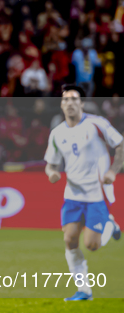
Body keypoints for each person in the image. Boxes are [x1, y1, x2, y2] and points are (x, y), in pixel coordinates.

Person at [44, 85, 123, 301]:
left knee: (91, 245)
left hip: (97, 193)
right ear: (61, 105)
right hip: (72, 195)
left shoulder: (97, 124)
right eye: (66, 99)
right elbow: (50, 164)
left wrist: (113, 171)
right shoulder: (57, 133)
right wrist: (52, 173)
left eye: (74, 99)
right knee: (70, 240)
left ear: (81, 103)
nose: (70, 102)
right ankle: (84, 290)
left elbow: (120, 145)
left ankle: (110, 224)